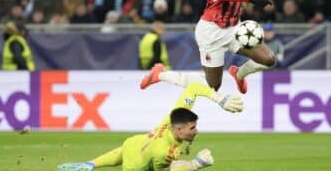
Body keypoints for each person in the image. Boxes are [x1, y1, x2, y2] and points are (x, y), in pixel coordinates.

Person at [57, 65, 244, 171]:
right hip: (135, 167)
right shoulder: (167, 151)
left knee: (129, 150)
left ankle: (159, 74)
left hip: (135, 143)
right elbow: (170, 169)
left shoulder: (174, 118)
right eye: (192, 128)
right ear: (179, 130)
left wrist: (220, 99)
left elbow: (194, 87)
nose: (196, 131)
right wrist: (197, 163)